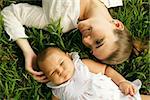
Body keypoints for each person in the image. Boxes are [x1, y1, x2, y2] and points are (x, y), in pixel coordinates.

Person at [1, 0, 133, 82]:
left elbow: (10, 14)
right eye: (99, 41)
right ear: (117, 25)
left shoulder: (59, 20)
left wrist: (28, 52)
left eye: (90, 48)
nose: (86, 40)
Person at [37, 47, 142, 100]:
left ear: (68, 56)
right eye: (53, 72)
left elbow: (106, 70)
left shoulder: (82, 65)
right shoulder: (57, 91)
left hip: (118, 96)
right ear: (47, 78)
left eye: (61, 63)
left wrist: (122, 81)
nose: (60, 71)